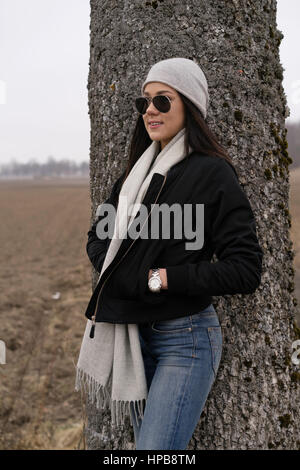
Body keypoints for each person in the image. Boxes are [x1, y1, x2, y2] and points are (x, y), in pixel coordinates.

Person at [76, 58, 263, 450]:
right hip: (132, 334)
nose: (149, 111)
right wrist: (124, 276)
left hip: (186, 339)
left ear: (189, 106)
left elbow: (245, 269)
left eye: (162, 101)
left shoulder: (213, 174)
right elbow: (98, 238)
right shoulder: (135, 176)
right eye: (143, 102)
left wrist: (161, 278)